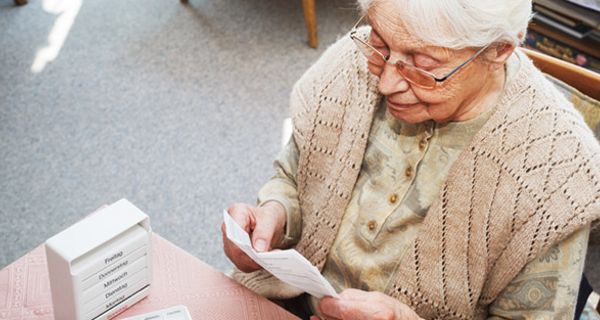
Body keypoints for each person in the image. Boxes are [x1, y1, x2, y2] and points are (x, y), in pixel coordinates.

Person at [221, 0, 600, 319]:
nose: (386, 83)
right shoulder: (353, 61)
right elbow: (295, 172)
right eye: (381, 44)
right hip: (285, 301)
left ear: (499, 50)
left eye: (422, 65)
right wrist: (275, 213)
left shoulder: (558, 172)